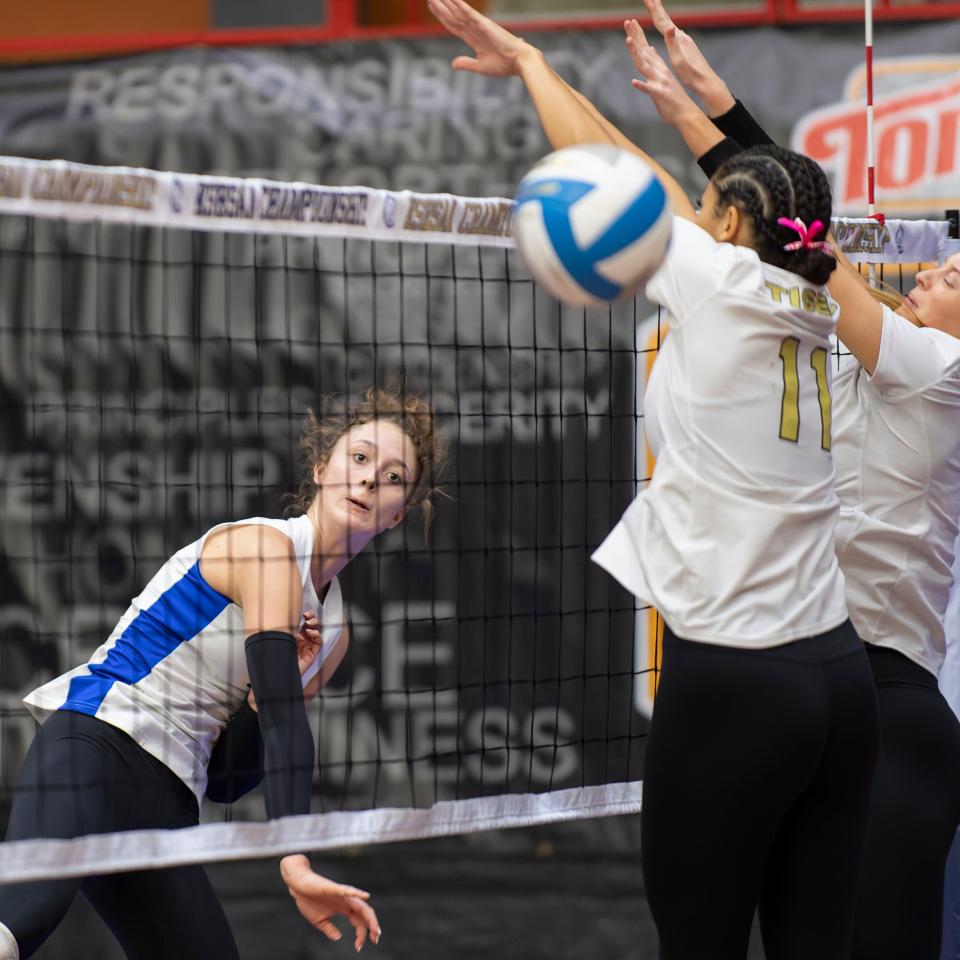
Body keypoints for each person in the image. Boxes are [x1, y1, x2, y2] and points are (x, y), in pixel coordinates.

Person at [427, 2, 879, 958]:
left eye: (708, 203)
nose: (692, 207)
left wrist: (532, 66)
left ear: (728, 224)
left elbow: (610, 179)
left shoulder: (717, 286)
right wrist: (559, 74)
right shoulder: (835, 308)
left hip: (736, 684)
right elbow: (671, 188)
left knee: (697, 946)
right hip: (840, 679)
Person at [620, 5, 960, 958]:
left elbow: (804, 238)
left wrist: (714, 115)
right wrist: (708, 103)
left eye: (958, 275)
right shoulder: (867, 343)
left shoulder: (939, 372)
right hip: (812, 678)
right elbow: (788, 226)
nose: (940, 268)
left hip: (890, 709)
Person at [0, 385, 446, 960]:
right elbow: (290, 724)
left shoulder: (333, 632)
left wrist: (258, 703)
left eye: (391, 476)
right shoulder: (265, 549)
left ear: (399, 512)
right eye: (358, 458)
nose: (367, 480)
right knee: (20, 923)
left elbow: (229, 780)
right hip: (97, 744)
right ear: (321, 467)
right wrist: (295, 858)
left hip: (170, 800)